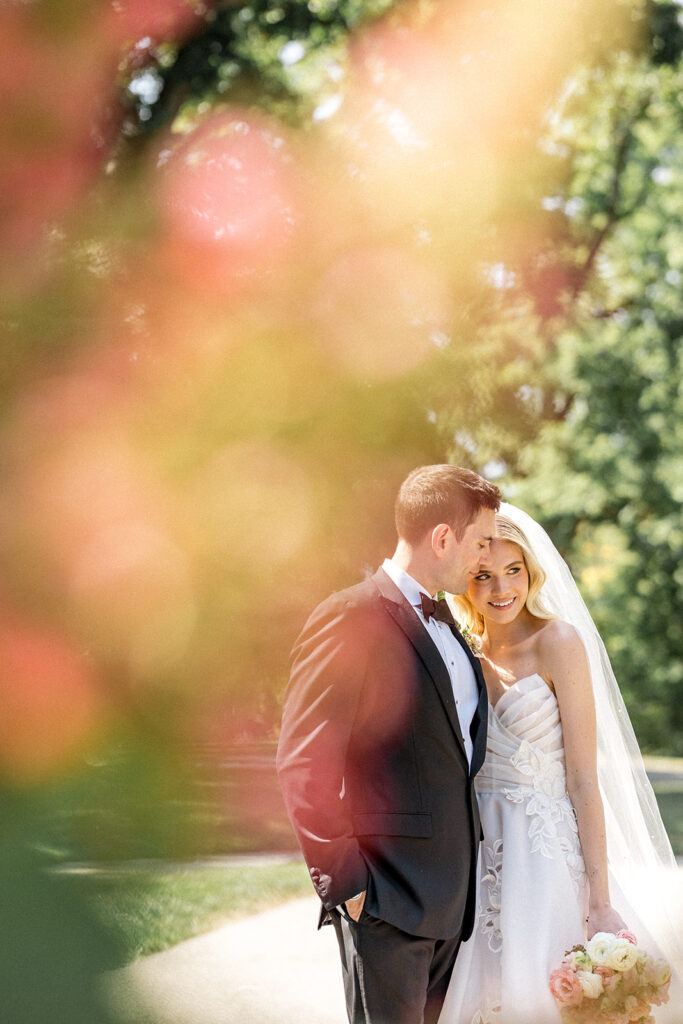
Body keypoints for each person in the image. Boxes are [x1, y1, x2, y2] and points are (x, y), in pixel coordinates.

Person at [440, 504, 683, 1024]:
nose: (501, 588)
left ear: (531, 572)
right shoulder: (461, 653)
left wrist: (599, 898)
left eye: (513, 571)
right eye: (483, 575)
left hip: (545, 860)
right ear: (465, 580)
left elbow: (582, 780)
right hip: (477, 862)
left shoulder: (559, 642)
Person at [276, 465, 501, 1024]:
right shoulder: (351, 616)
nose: (486, 558)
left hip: (454, 905)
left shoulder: (451, 625)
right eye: (481, 542)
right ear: (442, 538)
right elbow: (305, 760)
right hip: (386, 903)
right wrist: (349, 887)